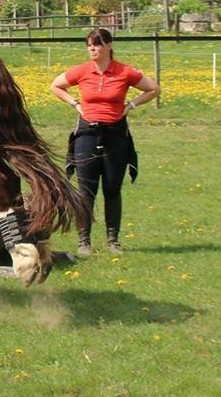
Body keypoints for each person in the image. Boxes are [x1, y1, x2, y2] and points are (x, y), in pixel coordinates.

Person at [50, 28, 159, 255]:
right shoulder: (82, 71)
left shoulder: (124, 72)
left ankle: (113, 241)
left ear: (108, 46)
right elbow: (56, 85)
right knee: (85, 190)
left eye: (96, 44)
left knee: (112, 188)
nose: (92, 48)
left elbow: (153, 89)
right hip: (87, 135)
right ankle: (84, 242)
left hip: (115, 135)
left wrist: (130, 106)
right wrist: (75, 104)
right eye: (89, 45)